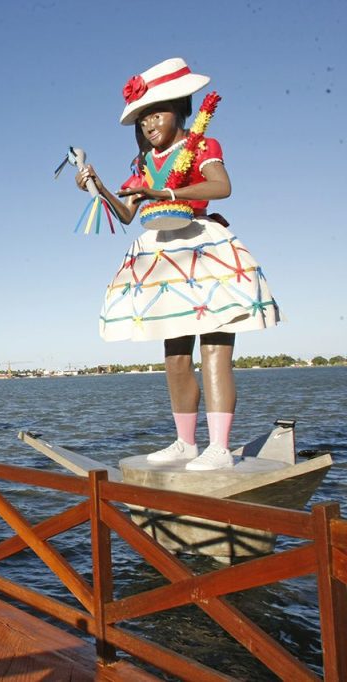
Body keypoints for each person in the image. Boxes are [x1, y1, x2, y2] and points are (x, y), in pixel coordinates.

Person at [75, 58, 280, 471]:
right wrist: (96, 187)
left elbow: (222, 186)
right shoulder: (141, 162)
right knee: (175, 354)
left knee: (215, 349)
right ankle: (186, 442)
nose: (149, 125)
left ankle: (219, 447)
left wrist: (164, 192)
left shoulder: (203, 145)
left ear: (181, 108)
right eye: (142, 119)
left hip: (204, 250)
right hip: (162, 258)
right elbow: (129, 214)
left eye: (156, 113)